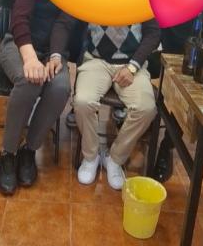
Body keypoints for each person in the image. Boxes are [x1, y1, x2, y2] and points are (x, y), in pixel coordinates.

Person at [53, 16, 160, 190]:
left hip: (132, 64)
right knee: (82, 102)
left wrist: (133, 67)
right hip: (96, 61)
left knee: (146, 108)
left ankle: (115, 159)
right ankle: (91, 156)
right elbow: (66, 21)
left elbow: (153, 33)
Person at [0, 0, 72, 196]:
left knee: (60, 87)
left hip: (52, 52)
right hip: (18, 45)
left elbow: (64, 23)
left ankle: (29, 150)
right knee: (29, 81)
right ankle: (8, 153)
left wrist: (55, 56)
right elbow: (19, 19)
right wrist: (30, 58)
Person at [151, 0, 203, 182]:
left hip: (197, 60)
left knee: (184, 99)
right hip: (167, 54)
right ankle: (135, 120)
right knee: (135, 66)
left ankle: (167, 147)